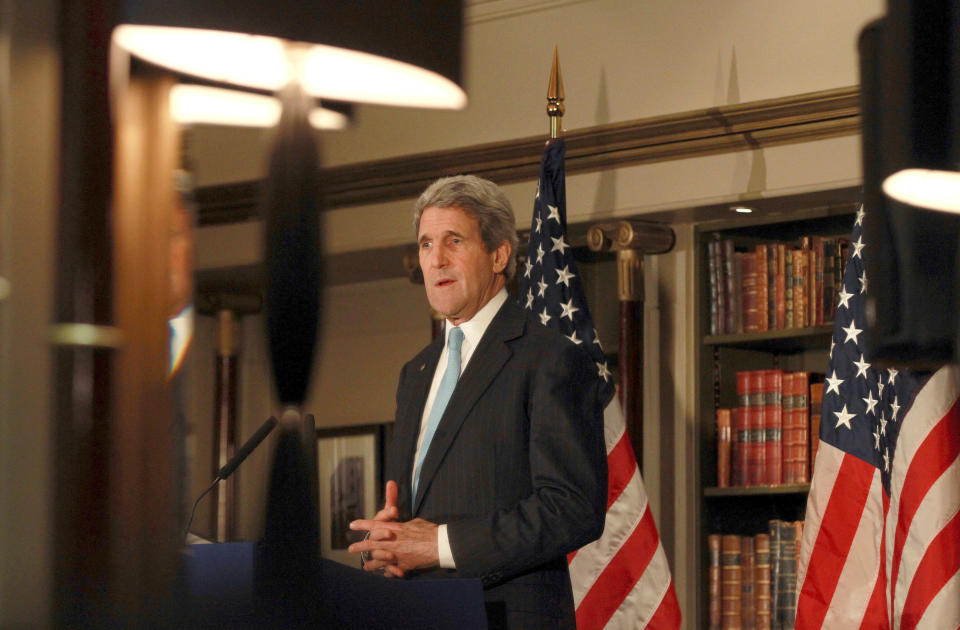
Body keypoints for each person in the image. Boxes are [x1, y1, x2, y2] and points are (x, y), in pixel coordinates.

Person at [348, 175, 607, 629]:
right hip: (422, 613)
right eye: (426, 244)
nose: (437, 259)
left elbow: (573, 508)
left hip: (505, 617)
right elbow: (423, 508)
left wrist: (441, 545)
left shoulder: (549, 358)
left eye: (454, 240)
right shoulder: (417, 372)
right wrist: (391, 538)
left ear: (499, 254)